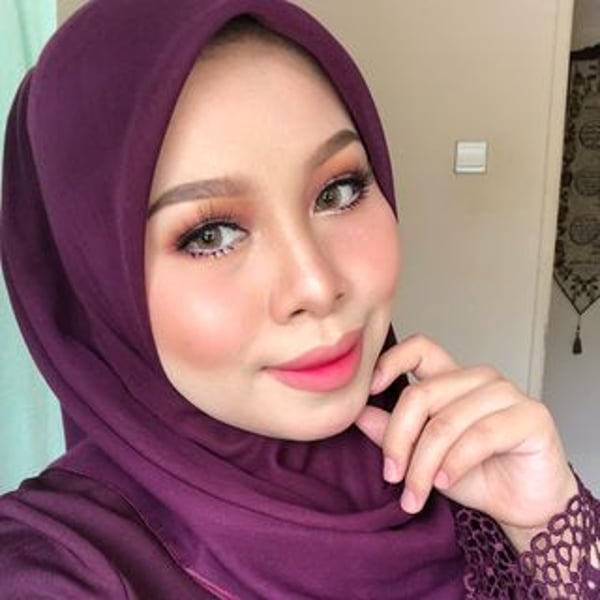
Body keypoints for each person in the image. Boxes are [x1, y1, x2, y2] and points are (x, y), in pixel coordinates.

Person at [0, 0, 598, 598]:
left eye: (338, 191)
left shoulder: (464, 476)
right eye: (211, 235)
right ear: (95, 286)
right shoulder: (62, 565)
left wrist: (548, 523)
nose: (316, 285)